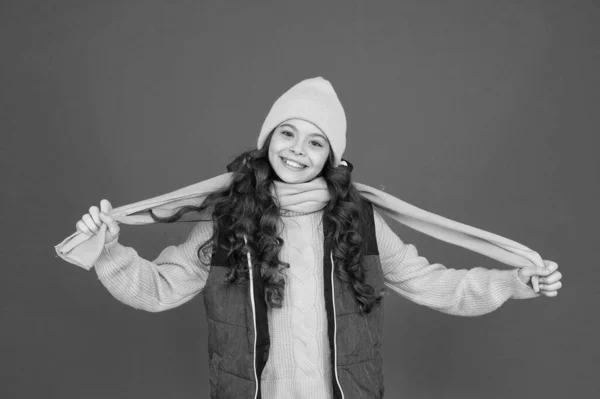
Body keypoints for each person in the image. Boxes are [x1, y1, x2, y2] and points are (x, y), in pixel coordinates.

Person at [73, 77, 562, 399]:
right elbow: (160, 289)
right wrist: (108, 251)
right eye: (287, 134)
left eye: (315, 141)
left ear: (330, 156)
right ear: (268, 141)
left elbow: (430, 282)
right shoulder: (229, 220)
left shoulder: (358, 219)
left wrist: (513, 282)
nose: (297, 151)